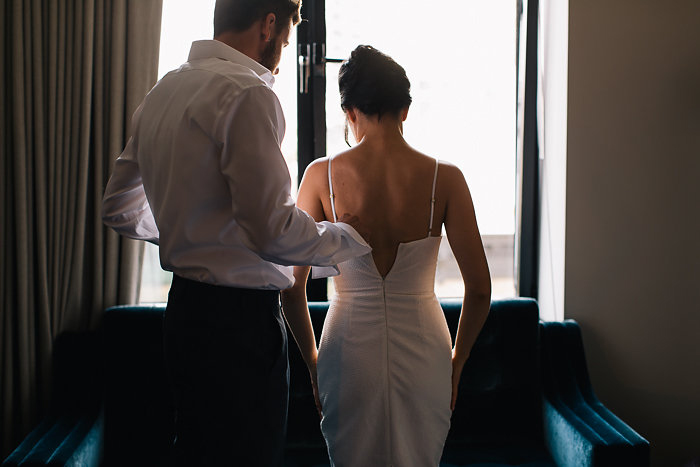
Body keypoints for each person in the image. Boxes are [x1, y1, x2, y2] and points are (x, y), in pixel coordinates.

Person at [101, 1, 371, 465]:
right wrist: (348, 239)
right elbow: (272, 229)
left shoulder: (164, 92)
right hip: (239, 330)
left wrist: (189, 233)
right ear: (268, 24)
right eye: (285, 41)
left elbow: (119, 209)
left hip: (184, 316)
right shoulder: (248, 94)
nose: (282, 59)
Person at [280, 45, 492, 466]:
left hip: (346, 350)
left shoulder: (319, 176)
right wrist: (458, 359)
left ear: (350, 112)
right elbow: (481, 289)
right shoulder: (445, 179)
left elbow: (291, 287)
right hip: (426, 348)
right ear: (406, 109)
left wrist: (312, 361)